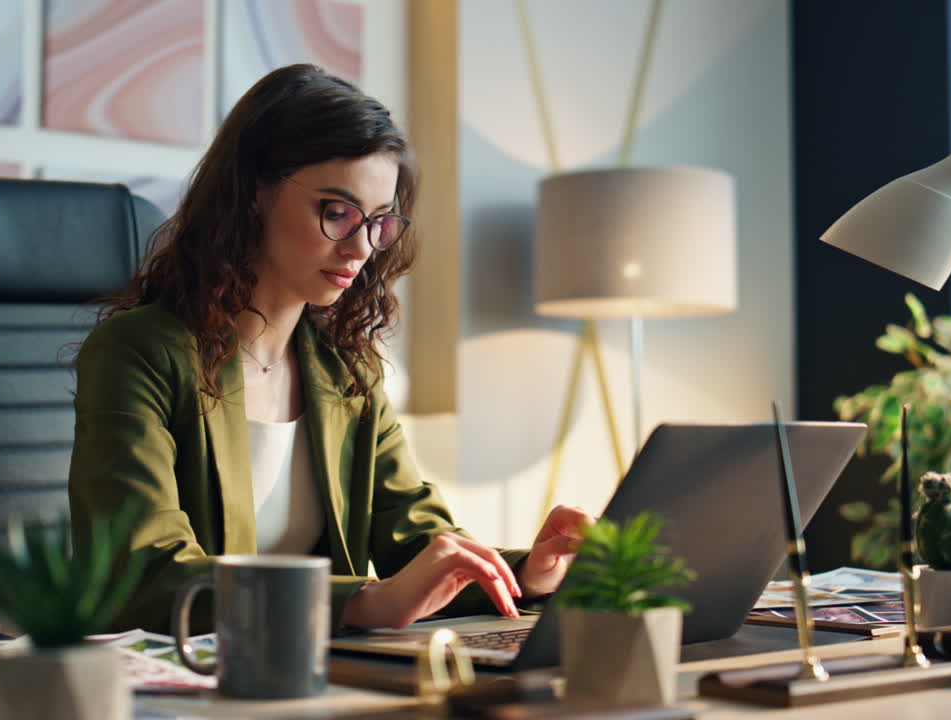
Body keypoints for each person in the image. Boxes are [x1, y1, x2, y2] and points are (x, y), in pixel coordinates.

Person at [67, 63, 593, 634]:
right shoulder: (138, 351)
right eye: (337, 212)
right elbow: (145, 574)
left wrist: (530, 574)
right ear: (254, 193)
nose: (362, 248)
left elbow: (413, 540)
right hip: (182, 681)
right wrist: (363, 601)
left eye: (379, 222)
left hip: (314, 677)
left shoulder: (347, 370)